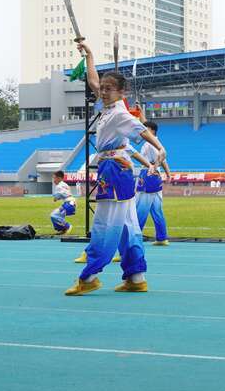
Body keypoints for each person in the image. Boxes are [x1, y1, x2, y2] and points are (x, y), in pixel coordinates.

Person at [65, 40, 166, 296]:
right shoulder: (107, 107)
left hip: (115, 171)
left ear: (122, 92)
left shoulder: (120, 114)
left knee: (104, 224)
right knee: (129, 226)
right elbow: (93, 82)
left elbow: (142, 131)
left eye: (110, 89)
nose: (104, 91)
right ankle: (136, 277)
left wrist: (160, 148)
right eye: (104, 88)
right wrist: (90, 55)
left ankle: (89, 277)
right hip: (114, 168)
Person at [135, 120, 171, 246]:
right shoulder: (156, 142)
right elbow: (163, 158)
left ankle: (134, 239)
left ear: (151, 130)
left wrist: (153, 167)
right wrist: (167, 173)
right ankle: (162, 237)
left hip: (148, 174)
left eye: (145, 129)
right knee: (157, 209)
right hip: (155, 176)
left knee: (139, 209)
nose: (142, 131)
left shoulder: (149, 144)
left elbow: (161, 158)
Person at [51, 170, 75, 235]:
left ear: (59, 178)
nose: (53, 180)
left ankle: (67, 226)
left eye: (54, 178)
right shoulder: (64, 184)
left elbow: (58, 195)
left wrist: (55, 198)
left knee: (54, 215)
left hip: (69, 204)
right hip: (70, 203)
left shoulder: (59, 186)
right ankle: (62, 229)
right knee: (55, 215)